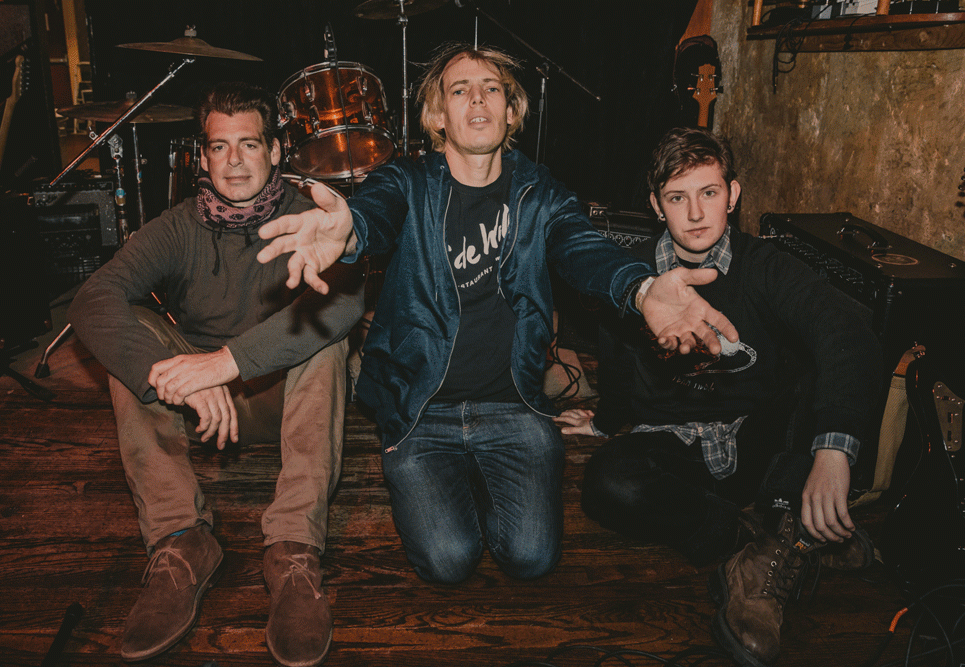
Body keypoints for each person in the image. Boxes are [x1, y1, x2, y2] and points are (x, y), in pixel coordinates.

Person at [255, 43, 738, 586]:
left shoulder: (541, 193)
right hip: (422, 411)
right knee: (448, 561)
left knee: (531, 559)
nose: (478, 99)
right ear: (438, 116)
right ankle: (452, 476)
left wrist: (642, 288)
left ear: (511, 112)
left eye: (492, 89)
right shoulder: (406, 182)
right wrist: (350, 233)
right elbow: (374, 214)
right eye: (459, 90)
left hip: (513, 407)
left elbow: (583, 247)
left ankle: (481, 474)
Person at [555, 127, 883, 667]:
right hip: (674, 444)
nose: (695, 213)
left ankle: (773, 548)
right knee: (607, 484)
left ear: (733, 194)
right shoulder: (634, 273)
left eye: (708, 192)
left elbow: (848, 334)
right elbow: (616, 355)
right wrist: (604, 420)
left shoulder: (766, 265)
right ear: (655, 205)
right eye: (676, 198)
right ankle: (770, 542)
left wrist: (832, 451)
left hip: (757, 439)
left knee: (815, 375)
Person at [69, 82, 364, 667]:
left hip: (283, 394)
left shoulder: (306, 219)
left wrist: (224, 364)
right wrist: (180, 376)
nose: (234, 161)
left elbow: (346, 303)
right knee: (133, 333)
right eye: (219, 146)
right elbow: (92, 298)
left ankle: (294, 550)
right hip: (201, 408)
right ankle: (181, 544)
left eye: (249, 144)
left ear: (274, 151)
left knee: (323, 334)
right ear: (202, 157)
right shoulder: (178, 226)